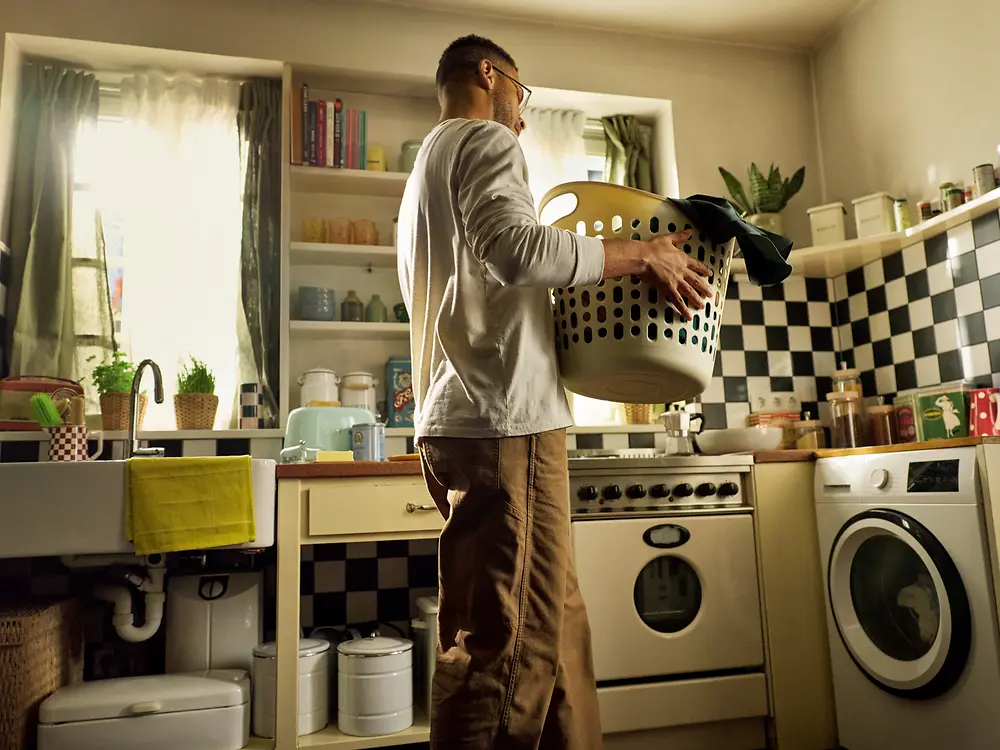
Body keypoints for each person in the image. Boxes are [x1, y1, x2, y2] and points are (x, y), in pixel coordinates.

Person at [397, 34, 713, 750]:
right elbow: (518, 249)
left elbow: (487, 274)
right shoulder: (483, 139)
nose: (522, 118)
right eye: (521, 95)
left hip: (460, 419)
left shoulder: (426, 168)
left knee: (558, 633)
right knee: (507, 653)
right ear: (489, 74)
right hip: (506, 424)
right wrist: (642, 254)